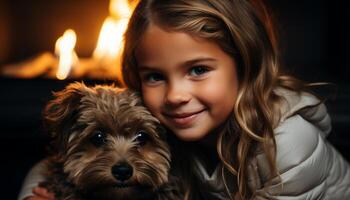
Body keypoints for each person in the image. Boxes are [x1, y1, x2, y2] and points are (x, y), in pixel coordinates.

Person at [18, 0, 350, 199]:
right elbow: (53, 165)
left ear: (245, 67)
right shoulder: (174, 126)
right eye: (155, 76)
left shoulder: (287, 144)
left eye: (198, 70)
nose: (175, 96)